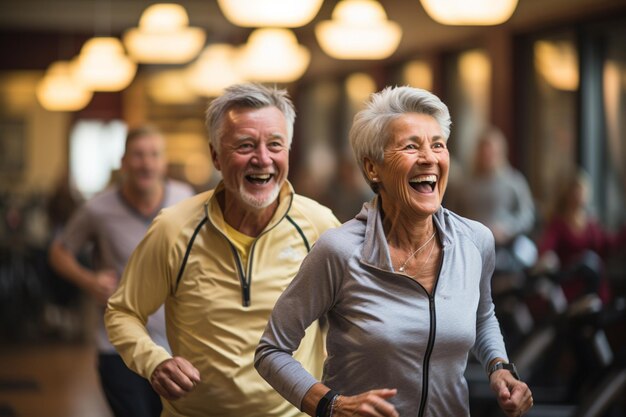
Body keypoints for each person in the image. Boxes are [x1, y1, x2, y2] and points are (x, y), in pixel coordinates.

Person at [255, 86, 534, 417]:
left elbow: (482, 315)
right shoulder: (340, 251)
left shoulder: (476, 241)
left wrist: (499, 367)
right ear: (373, 169)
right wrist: (330, 404)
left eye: (438, 145)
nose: (429, 157)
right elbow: (271, 351)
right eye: (411, 146)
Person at [104, 83, 340, 417]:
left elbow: (354, 319)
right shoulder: (174, 228)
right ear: (215, 155)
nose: (262, 159)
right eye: (245, 145)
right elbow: (123, 312)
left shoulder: (319, 225)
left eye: (275, 144)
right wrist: (154, 361)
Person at [48, 125, 195, 417]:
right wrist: (89, 281)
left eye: (154, 155)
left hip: (175, 343)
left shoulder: (185, 198)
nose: (147, 163)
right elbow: (59, 252)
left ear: (164, 162)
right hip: (117, 345)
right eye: (138, 155)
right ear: (123, 161)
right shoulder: (98, 209)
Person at [536, 168, 626, 303]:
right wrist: (547, 260)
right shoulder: (559, 223)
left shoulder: (591, 223)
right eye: (577, 190)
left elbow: (609, 243)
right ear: (568, 193)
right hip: (572, 288)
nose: (581, 195)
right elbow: (546, 249)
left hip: (595, 285)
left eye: (584, 190)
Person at [448, 126, 535, 247]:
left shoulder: (514, 181)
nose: (487, 155)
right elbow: (452, 215)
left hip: (504, 249)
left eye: (492, 151)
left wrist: (507, 229)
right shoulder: (463, 185)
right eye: (484, 150)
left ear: (501, 152)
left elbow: (527, 216)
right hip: (470, 245)